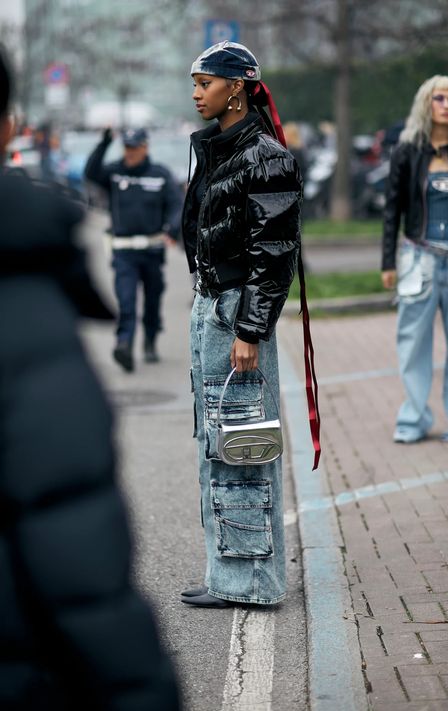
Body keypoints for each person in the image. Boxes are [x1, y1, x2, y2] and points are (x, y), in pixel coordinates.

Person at [0, 48, 181, 710]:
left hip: (149, 261)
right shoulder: (26, 314)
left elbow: (172, 207)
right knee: (128, 311)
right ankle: (133, 337)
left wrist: (168, 234)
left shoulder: (159, 172)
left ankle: (145, 335)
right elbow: (78, 566)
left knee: (148, 306)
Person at [180, 41, 302, 608]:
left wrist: (251, 330)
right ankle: (227, 575)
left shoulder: (267, 156)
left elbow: (274, 255)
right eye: (196, 82)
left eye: (206, 82)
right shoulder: (218, 150)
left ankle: (251, 583)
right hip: (211, 306)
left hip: (235, 314)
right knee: (218, 440)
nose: (198, 92)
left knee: (243, 442)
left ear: (237, 87)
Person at [382, 75, 448, 443]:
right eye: (440, 99)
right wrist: (387, 261)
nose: (447, 106)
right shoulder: (407, 151)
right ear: (427, 103)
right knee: (413, 340)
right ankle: (413, 420)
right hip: (416, 257)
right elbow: (392, 209)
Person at [85, 126, 183, 372]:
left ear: (145, 147)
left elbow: (176, 206)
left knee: (152, 300)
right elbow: (91, 173)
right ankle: (124, 344)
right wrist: (104, 142)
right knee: (126, 300)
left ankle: (150, 340)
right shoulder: (115, 172)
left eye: (133, 148)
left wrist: (172, 228)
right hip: (124, 251)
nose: (129, 153)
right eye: (126, 147)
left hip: (152, 250)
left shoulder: (160, 174)